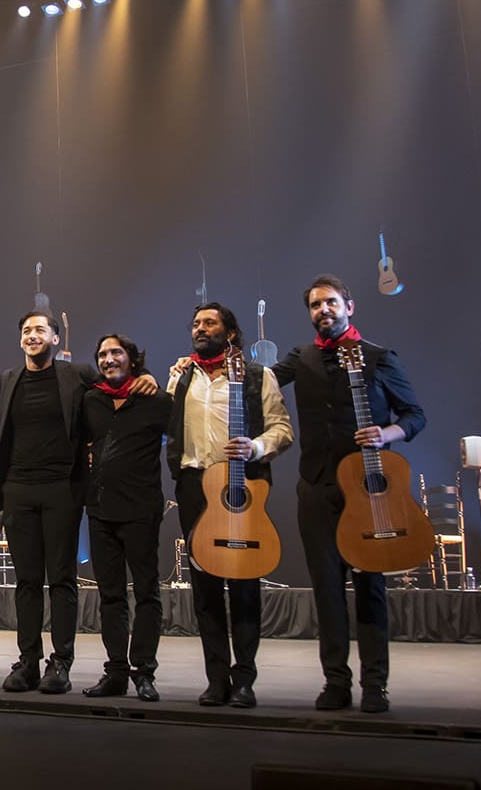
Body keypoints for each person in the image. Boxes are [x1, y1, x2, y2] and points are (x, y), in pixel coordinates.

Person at [271, 275, 425, 714]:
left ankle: (375, 685)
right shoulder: (300, 359)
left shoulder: (378, 358)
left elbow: (415, 416)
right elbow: (256, 384)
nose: (324, 310)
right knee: (327, 590)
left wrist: (386, 433)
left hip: (369, 490)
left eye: (331, 303)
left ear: (349, 306)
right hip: (317, 488)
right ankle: (335, 681)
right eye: (316, 305)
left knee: (370, 587)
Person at [0, 311, 157, 694]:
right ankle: (28, 661)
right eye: (26, 331)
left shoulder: (77, 374)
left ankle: (60, 663)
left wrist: (146, 377)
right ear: (20, 340)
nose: (33, 336)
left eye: (40, 330)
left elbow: (120, 381)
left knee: (61, 578)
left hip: (61, 488)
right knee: (27, 581)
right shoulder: (8, 378)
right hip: (18, 487)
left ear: (54, 337)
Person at [166, 303, 293, 708]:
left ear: (231, 333)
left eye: (210, 323)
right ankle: (216, 678)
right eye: (196, 324)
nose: (200, 329)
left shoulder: (259, 376)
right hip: (194, 488)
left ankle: (244, 679)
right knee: (204, 589)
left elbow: (282, 429)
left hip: (241, 490)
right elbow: (164, 423)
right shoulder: (182, 378)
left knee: (243, 586)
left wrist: (255, 446)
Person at [81, 335, 173, 701]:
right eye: (102, 354)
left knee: (147, 593)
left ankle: (144, 673)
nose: (108, 359)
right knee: (111, 595)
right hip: (100, 510)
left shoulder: (157, 399)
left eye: (116, 352)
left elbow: (182, 440)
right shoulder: (91, 400)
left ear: (132, 359)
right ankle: (116, 671)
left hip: (141, 509)